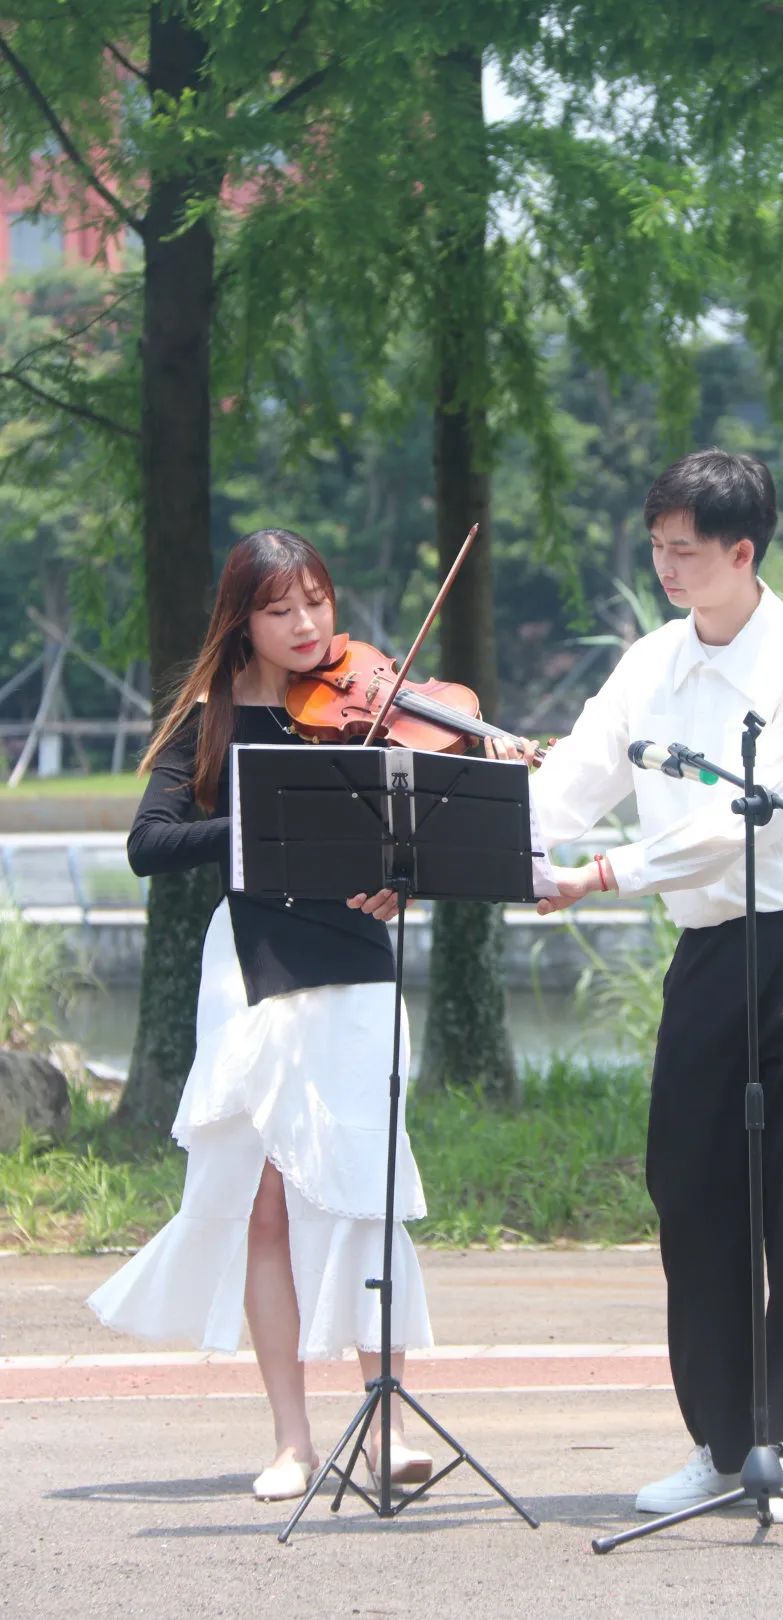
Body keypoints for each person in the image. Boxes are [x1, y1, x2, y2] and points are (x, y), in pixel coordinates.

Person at [526, 449, 783, 1521]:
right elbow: (574, 780)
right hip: (713, 943)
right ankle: (724, 1444)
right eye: (657, 548)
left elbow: (745, 819)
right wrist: (489, 845)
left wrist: (603, 875)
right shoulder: (650, 664)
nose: (667, 568)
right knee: (688, 1187)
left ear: (743, 552)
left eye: (685, 550)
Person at [88, 529, 434, 1503]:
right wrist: (258, 820)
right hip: (253, 967)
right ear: (242, 620)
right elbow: (149, 845)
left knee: (361, 1193)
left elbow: (419, 832)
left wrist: (403, 878)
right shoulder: (210, 720)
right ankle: (292, 1441)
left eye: (317, 601)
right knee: (267, 1203)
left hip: (356, 968)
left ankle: (388, 1426)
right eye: (282, 610)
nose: (308, 625)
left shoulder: (366, 709)